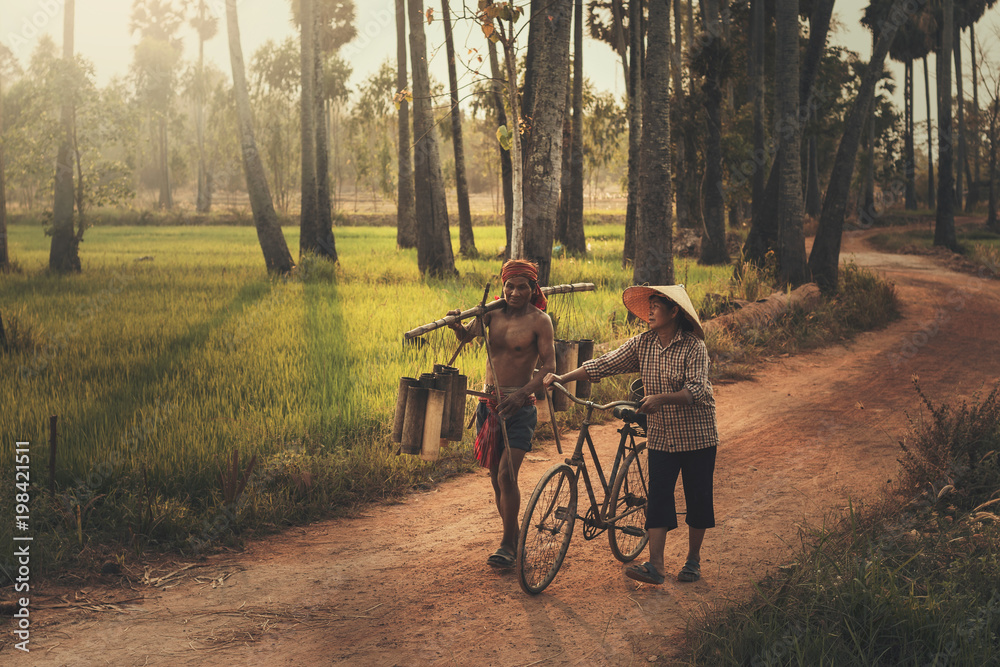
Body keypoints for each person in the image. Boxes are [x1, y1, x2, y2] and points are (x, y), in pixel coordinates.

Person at [543, 284, 719, 584]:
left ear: (674, 311)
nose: (649, 311)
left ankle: (693, 560)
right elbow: (604, 364)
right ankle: (657, 565)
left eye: (656, 306)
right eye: (648, 306)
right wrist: (563, 376)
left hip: (697, 435)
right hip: (662, 433)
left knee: (697, 497)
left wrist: (661, 398)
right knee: (659, 497)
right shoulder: (643, 343)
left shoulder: (693, 346)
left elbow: (698, 390)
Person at [447, 259, 556, 569]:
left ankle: (507, 544)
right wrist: (457, 325)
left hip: (520, 408)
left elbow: (550, 367)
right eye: (510, 286)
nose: (515, 292)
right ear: (502, 287)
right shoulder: (491, 313)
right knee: (496, 478)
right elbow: (468, 337)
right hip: (489, 405)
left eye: (522, 286)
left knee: (508, 474)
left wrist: (523, 393)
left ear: (533, 288)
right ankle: (515, 536)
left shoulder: (540, 321)